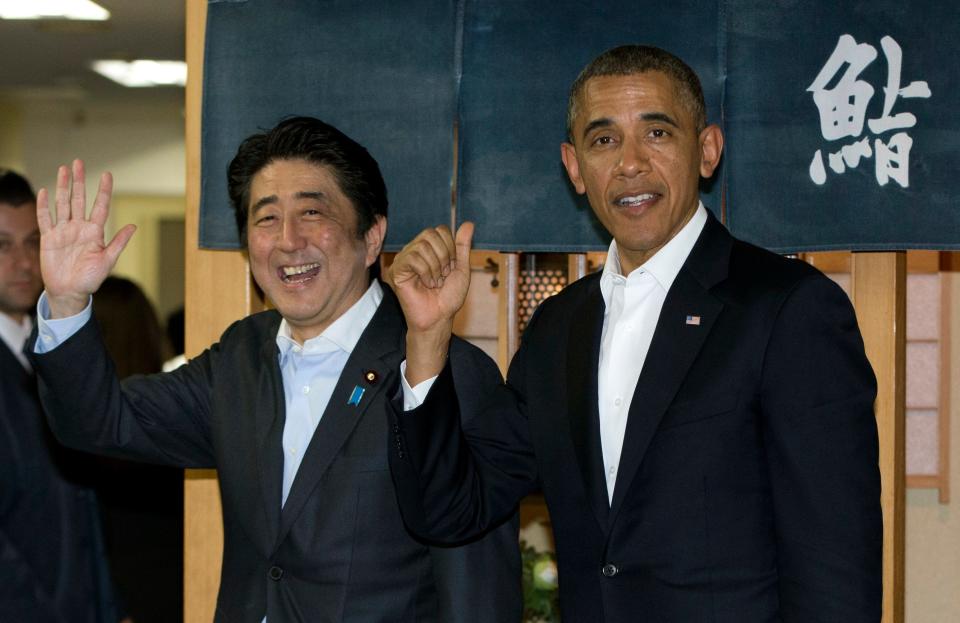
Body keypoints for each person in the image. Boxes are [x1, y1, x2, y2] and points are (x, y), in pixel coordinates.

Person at [387, 45, 883, 622]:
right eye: (603, 141)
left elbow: (834, 564)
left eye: (657, 133)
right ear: (574, 168)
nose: (629, 163)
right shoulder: (556, 329)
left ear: (707, 150)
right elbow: (452, 511)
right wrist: (426, 336)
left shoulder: (788, 308)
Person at [27, 118, 521, 622]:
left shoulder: (447, 369)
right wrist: (67, 301)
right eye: (266, 219)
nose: (288, 240)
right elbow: (99, 421)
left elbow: (475, 583)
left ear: (372, 237)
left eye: (312, 211)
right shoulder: (242, 356)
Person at [0, 168, 125, 622]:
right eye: (3, 246)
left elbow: (84, 499)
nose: (24, 263)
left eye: (32, 242)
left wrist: (110, 605)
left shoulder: (59, 345)